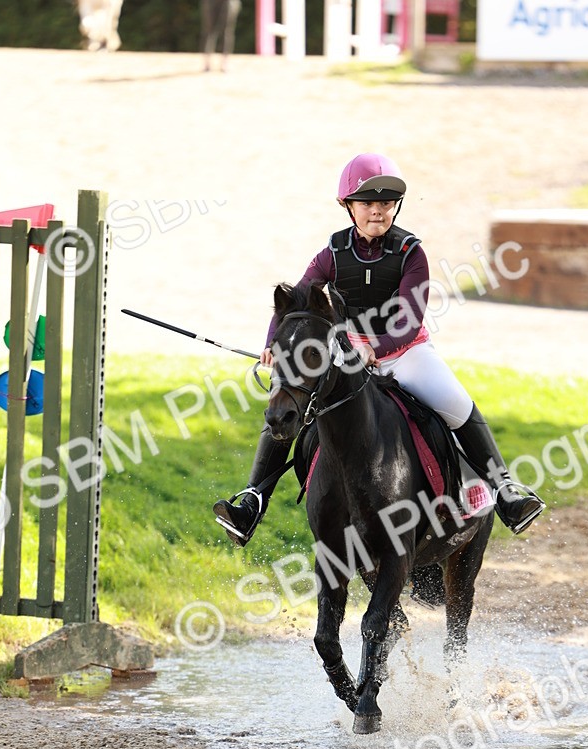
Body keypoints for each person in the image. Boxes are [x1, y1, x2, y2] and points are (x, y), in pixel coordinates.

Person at [213, 152, 545, 548]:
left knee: (457, 403)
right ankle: (252, 501)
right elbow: (296, 303)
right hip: (349, 358)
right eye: (367, 203)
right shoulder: (331, 255)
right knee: (290, 404)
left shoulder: (410, 254)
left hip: (407, 355)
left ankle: (507, 494)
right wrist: (272, 344)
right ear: (348, 206)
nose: (377, 211)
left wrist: (374, 346)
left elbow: (409, 319)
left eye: (385, 203)